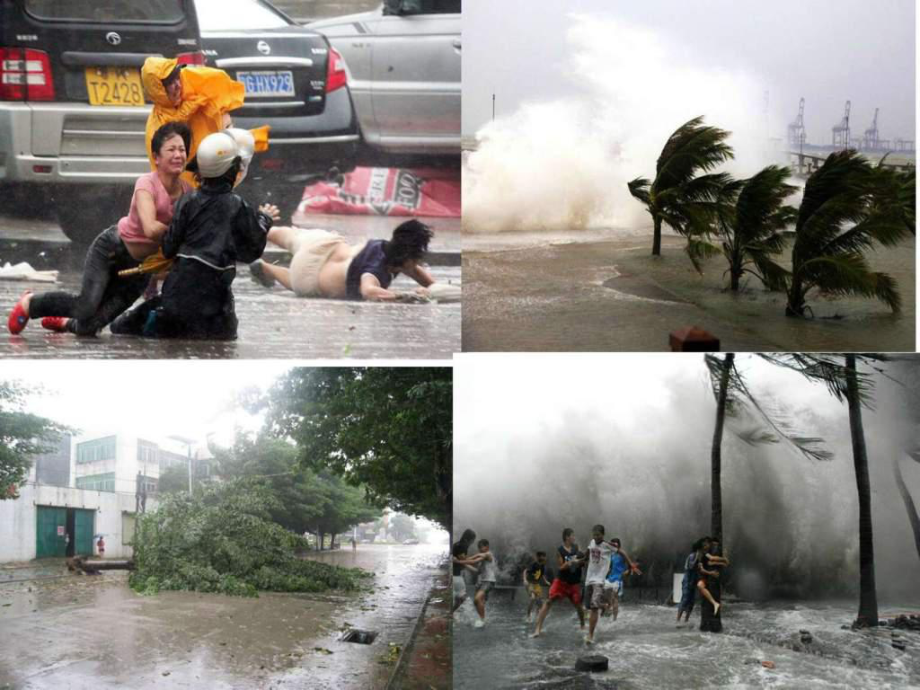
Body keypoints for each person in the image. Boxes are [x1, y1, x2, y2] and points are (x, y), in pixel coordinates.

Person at [8, 122, 193, 336]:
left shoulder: (188, 192)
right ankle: (31, 304)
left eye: (182, 149)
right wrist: (181, 231)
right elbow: (151, 229)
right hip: (112, 250)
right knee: (85, 306)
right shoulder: (146, 184)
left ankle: (64, 323)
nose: (178, 154)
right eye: (171, 149)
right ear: (156, 157)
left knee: (87, 328)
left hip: (140, 272)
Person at [109, 132, 275, 340]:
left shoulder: (187, 201)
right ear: (233, 170)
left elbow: (169, 247)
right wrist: (264, 220)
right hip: (216, 311)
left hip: (176, 302)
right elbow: (251, 252)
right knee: (224, 340)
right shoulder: (238, 206)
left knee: (122, 327)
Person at [248, 220, 438, 301]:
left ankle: (253, 228)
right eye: (416, 257)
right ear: (406, 258)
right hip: (308, 276)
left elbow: (419, 275)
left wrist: (434, 288)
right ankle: (267, 268)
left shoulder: (386, 247)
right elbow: (369, 290)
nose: (417, 263)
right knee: (298, 282)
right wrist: (405, 296)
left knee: (289, 236)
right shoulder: (375, 271)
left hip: (324, 243)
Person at [141, 57, 249, 187]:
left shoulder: (195, 94)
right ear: (158, 91)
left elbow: (219, 91)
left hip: (214, 185)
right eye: (170, 82)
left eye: (177, 77)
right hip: (184, 195)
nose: (178, 85)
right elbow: (167, 175)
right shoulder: (157, 127)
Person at [531, 528, 586, 637]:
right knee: (548, 602)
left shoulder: (576, 548)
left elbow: (583, 560)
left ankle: (583, 625)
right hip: (561, 582)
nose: (574, 538)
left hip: (574, 583)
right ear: (567, 537)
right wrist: (570, 563)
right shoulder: (560, 550)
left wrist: (580, 561)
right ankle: (537, 629)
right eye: (572, 536)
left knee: (578, 605)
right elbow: (561, 567)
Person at [603, 537, 641, 622]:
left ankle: (614, 619)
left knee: (614, 597)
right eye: (611, 544)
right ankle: (608, 607)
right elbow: (611, 566)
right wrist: (606, 573)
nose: (612, 546)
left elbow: (630, 565)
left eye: (614, 544)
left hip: (618, 579)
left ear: (618, 545)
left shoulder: (622, 554)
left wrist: (627, 572)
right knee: (603, 592)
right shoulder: (612, 554)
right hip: (610, 578)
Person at [677, 538, 708, 624]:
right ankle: (678, 620)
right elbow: (691, 567)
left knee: (691, 602)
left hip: (693, 581)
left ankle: (686, 620)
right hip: (687, 580)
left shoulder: (701, 557)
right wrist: (696, 559)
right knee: (685, 600)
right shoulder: (692, 556)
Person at [697, 537, 730, 618]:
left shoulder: (709, 552)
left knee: (702, 586)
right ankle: (715, 603)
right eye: (713, 545)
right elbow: (710, 560)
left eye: (716, 545)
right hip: (705, 576)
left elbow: (714, 562)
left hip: (710, 577)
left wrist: (721, 562)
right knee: (700, 585)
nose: (714, 547)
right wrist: (723, 559)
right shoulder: (703, 553)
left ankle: (715, 604)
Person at [452, 529, 479, 613]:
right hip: (456, 576)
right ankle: (474, 618)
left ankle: (452, 614)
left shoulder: (456, 544)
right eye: (472, 540)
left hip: (454, 576)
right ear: (467, 539)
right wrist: (475, 570)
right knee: (463, 598)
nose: (472, 543)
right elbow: (464, 562)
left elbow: (462, 560)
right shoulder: (463, 546)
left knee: (458, 600)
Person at [473, 539, 497, 628]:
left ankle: (482, 620)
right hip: (483, 582)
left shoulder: (489, 554)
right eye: (478, 547)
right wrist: (464, 565)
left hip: (489, 581)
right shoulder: (482, 560)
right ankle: (483, 619)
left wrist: (463, 560)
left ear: (487, 547)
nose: (480, 549)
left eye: (481, 547)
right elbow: (476, 571)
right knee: (478, 602)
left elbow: (477, 557)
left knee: (477, 599)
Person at [523, 551, 551, 623]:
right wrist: (525, 580)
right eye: (543, 556)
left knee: (540, 603)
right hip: (530, 584)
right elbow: (525, 571)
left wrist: (546, 581)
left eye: (545, 556)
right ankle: (528, 616)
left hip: (537, 585)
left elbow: (542, 575)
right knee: (532, 598)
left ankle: (537, 616)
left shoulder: (542, 566)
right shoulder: (534, 564)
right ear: (538, 557)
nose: (545, 558)